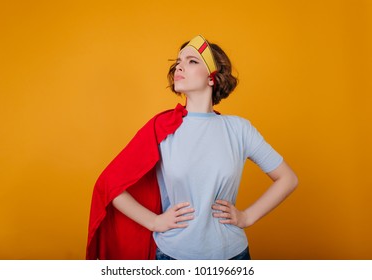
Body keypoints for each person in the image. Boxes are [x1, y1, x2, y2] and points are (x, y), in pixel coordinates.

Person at [86, 35, 298, 260]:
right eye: (178, 61)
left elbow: (288, 178)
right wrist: (154, 221)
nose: (180, 66)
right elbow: (109, 184)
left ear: (212, 78)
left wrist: (246, 217)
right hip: (173, 256)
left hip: (233, 256)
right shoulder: (162, 127)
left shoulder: (239, 129)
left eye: (192, 61)